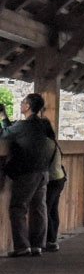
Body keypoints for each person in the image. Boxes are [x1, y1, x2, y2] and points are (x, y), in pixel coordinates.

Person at [1, 93, 55, 257]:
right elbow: (15, 131)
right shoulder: (43, 124)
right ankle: (38, 245)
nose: (21, 104)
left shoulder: (23, 125)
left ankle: (22, 246)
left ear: (28, 106)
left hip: (27, 171)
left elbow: (5, 134)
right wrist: (4, 116)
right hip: (43, 170)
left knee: (18, 208)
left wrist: (1, 117)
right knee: (39, 208)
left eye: (23, 102)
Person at [40, 109, 64, 252]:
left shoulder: (45, 143)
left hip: (51, 179)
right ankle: (52, 239)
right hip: (59, 178)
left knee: (46, 209)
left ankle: (48, 239)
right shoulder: (53, 142)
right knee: (53, 209)